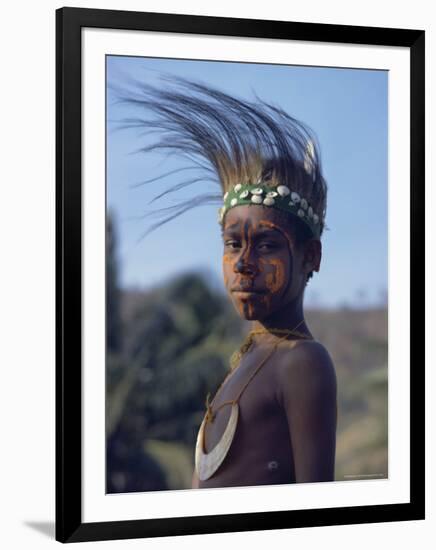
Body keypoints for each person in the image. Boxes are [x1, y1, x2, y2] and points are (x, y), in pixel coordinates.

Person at [118, 74, 337, 489]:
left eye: (267, 245)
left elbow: (317, 512)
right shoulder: (246, 359)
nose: (243, 264)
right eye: (233, 244)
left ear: (310, 256)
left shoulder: (302, 362)